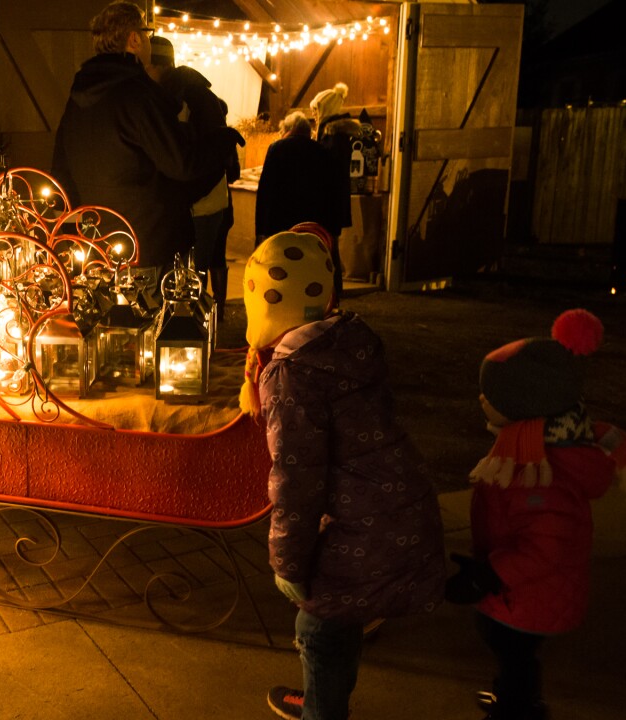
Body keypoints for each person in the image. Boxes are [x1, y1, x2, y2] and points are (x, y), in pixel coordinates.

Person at [236, 229, 446, 720]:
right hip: (400, 503)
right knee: (343, 614)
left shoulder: (291, 376)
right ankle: (322, 700)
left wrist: (286, 561)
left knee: (320, 626)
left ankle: (322, 712)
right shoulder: (349, 340)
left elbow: (296, 479)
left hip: (364, 523)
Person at [445, 309, 626, 720]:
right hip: (519, 593)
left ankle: (520, 710)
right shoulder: (531, 449)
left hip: (528, 597)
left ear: (525, 408)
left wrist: (490, 574)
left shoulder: (540, 470)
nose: (482, 400)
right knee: (509, 653)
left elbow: (547, 545)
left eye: (491, 396)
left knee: (516, 657)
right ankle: (512, 696)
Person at [51, 1, 241, 297]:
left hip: (100, 246)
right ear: (135, 39)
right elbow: (181, 164)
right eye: (147, 32)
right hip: (149, 247)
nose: (149, 39)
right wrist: (223, 140)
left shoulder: (76, 101)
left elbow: (60, 171)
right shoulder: (137, 95)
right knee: (155, 335)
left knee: (111, 336)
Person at [146, 35, 243, 316]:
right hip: (200, 200)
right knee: (191, 270)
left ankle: (194, 331)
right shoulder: (183, 92)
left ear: (160, 66)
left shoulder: (187, 98)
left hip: (200, 203)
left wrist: (184, 196)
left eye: (147, 67)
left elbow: (205, 158)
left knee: (192, 274)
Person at [252, 111, 339, 255]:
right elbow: (329, 190)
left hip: (281, 220)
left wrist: (261, 230)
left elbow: (266, 191)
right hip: (312, 222)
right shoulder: (322, 151)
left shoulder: (277, 148)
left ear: (288, 130)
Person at [309, 83, 359, 298]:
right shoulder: (331, 134)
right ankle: (329, 294)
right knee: (327, 248)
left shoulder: (334, 136)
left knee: (330, 249)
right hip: (330, 201)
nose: (314, 115)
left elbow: (328, 170)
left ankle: (333, 295)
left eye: (316, 110)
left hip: (329, 202)